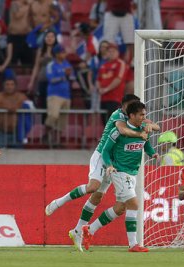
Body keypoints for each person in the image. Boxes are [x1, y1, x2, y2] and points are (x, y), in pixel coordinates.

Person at [45, 94, 159, 251]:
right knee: (93, 187)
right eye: (132, 107)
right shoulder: (119, 115)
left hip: (116, 160)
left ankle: (80, 230)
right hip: (102, 155)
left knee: (101, 199)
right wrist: (141, 133)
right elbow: (121, 129)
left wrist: (149, 128)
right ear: (125, 106)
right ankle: (59, 201)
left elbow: (155, 126)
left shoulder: (138, 120)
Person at [82, 101, 159, 252]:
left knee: (120, 207)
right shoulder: (118, 131)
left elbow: (146, 144)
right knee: (134, 203)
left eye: (145, 114)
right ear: (131, 115)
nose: (144, 117)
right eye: (141, 115)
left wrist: (153, 153)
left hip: (132, 172)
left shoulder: (143, 128)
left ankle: (89, 230)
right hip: (119, 171)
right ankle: (133, 245)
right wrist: (109, 165)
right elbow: (104, 151)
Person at [44, 44, 73, 147]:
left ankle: (57, 141)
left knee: (62, 120)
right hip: (54, 94)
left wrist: (69, 75)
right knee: (53, 115)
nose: (64, 54)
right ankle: (45, 135)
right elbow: (51, 79)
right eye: (62, 52)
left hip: (66, 95)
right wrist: (63, 75)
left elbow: (72, 77)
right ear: (56, 54)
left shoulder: (67, 64)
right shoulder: (51, 65)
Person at [0, 77, 29, 147]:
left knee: (18, 155)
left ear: (15, 86)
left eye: (12, 84)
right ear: (3, 86)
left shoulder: (21, 96)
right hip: (1, 132)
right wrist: (8, 108)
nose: (9, 87)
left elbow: (28, 106)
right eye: (7, 84)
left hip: (17, 133)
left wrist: (16, 107)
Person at [96, 43, 127, 125]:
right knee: (104, 123)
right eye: (109, 51)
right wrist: (99, 89)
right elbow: (98, 80)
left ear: (118, 52)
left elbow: (118, 79)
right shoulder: (103, 66)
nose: (111, 53)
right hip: (103, 98)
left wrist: (106, 89)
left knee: (113, 123)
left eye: (113, 51)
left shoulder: (120, 63)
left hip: (115, 98)